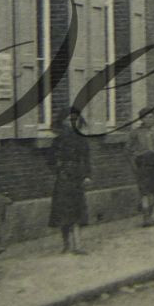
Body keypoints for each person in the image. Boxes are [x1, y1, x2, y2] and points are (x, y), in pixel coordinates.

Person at [49, 107, 92, 254]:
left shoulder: (81, 140)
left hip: (77, 177)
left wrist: (87, 176)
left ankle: (78, 245)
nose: (72, 123)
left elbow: (86, 160)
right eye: (69, 120)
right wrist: (58, 167)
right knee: (63, 212)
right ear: (63, 122)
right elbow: (50, 161)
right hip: (63, 178)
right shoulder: (57, 141)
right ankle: (66, 244)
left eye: (75, 119)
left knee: (77, 210)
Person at [125, 113, 154, 227]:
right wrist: (134, 164)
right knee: (144, 191)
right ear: (142, 119)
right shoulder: (136, 132)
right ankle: (145, 218)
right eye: (147, 117)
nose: (150, 119)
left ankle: (151, 216)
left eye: (152, 117)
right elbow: (128, 150)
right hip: (143, 163)